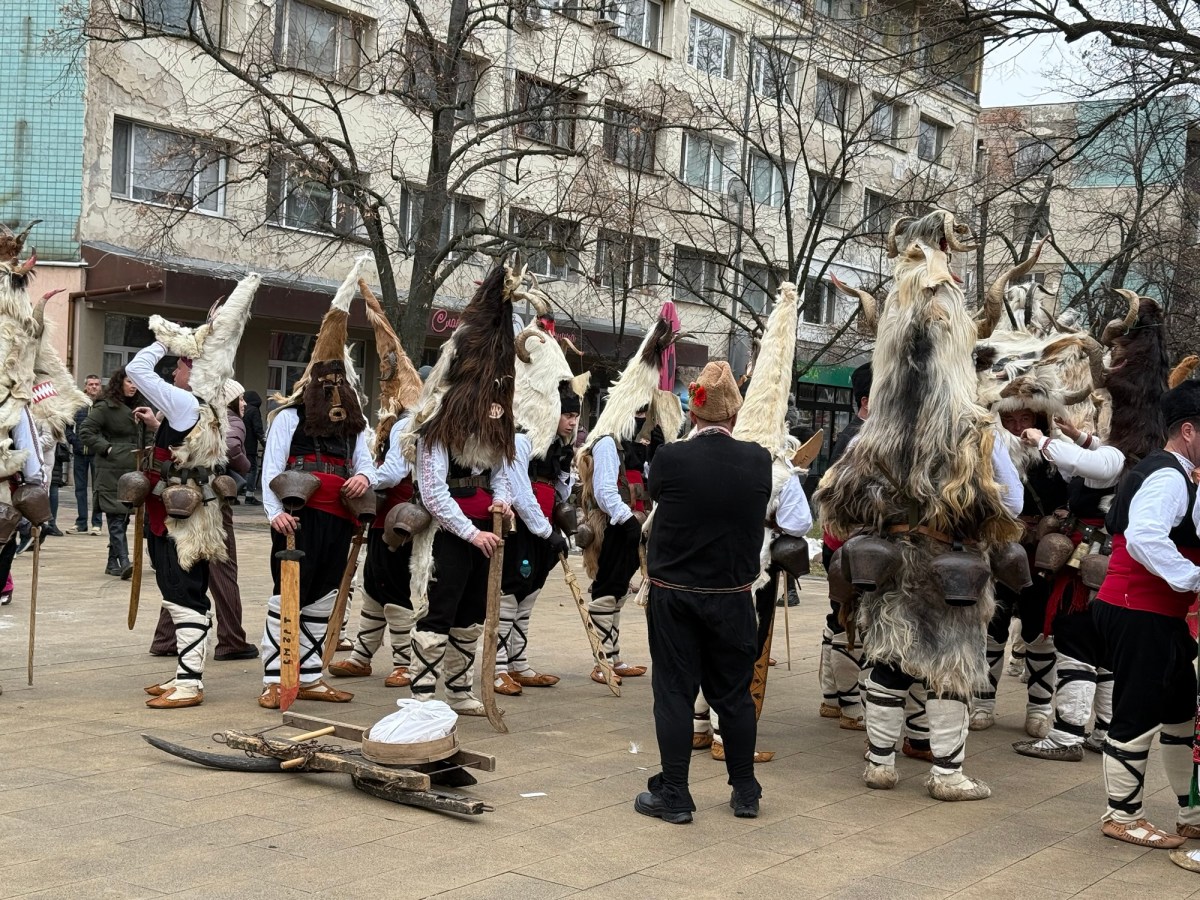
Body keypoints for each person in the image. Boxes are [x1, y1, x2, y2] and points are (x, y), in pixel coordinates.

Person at [635, 361, 772, 824]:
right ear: (734, 415)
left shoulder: (670, 458)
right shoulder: (758, 460)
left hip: (675, 594)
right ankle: (745, 790)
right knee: (733, 695)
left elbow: (657, 494)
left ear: (693, 415)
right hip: (732, 595)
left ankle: (675, 793)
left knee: (675, 692)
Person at [129, 272, 260, 709]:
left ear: (195, 368)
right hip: (193, 513)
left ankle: (189, 683)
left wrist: (167, 341)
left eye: (183, 364)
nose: (177, 368)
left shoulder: (187, 402)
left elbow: (136, 370)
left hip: (180, 517)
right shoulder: (207, 406)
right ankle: (185, 672)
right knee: (182, 590)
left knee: (182, 590)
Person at [258, 262, 376, 709]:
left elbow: (366, 466)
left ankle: (308, 676)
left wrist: (363, 477)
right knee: (289, 593)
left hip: (339, 520)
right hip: (298, 520)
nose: (332, 392)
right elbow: (271, 469)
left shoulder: (355, 427)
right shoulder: (289, 418)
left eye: (338, 385)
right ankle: (276, 677)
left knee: (324, 596)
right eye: (325, 385)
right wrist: (275, 514)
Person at [1092, 379, 1200, 850]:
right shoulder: (1168, 475)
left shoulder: (1181, 475)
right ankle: (1121, 815)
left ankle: (1191, 812)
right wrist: (1194, 578)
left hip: (1157, 614)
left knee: (1180, 714)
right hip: (1138, 610)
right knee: (1137, 713)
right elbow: (1144, 536)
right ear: (1189, 431)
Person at [404, 264, 517, 714]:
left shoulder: (496, 426)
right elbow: (433, 490)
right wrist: (471, 533)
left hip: (486, 529)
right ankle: (421, 695)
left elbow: (502, 471)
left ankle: (457, 689)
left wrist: (503, 501)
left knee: (472, 612)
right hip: (450, 532)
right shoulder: (437, 424)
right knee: (440, 608)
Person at [328, 278, 424, 687]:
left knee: (393, 584)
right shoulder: (396, 422)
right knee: (373, 583)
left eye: (389, 381)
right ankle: (363, 656)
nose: (385, 387)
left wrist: (364, 477)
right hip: (384, 512)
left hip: (401, 515)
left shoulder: (408, 424)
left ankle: (405, 660)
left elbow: (395, 471)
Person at [576, 317, 682, 685]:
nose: (642, 419)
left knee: (617, 590)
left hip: (625, 525)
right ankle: (602, 661)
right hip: (614, 526)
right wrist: (628, 522)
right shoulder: (607, 442)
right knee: (607, 589)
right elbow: (606, 492)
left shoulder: (624, 443)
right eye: (638, 412)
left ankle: (613, 657)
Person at [493, 305, 581, 696]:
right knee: (512, 592)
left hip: (544, 527)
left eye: (575, 416)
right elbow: (519, 487)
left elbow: (559, 487)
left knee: (529, 595)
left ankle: (519, 663)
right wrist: (544, 530)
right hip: (523, 527)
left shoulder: (559, 445)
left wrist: (560, 524)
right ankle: (497, 667)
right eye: (567, 415)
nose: (572, 422)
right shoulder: (524, 437)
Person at [150, 380, 258, 660]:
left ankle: (165, 639)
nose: (244, 403)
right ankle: (232, 640)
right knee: (222, 569)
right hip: (212, 503)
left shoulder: (198, 414)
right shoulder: (229, 419)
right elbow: (231, 447)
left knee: (184, 566)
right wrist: (245, 467)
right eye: (240, 398)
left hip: (184, 499)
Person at [818, 361, 871, 730]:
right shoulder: (859, 439)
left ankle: (832, 698)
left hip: (843, 544)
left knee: (839, 617)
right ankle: (851, 707)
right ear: (866, 401)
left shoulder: (860, 434)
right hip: (849, 544)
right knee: (850, 622)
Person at [79, 368, 156, 578]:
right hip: (111, 469)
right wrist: (107, 448)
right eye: (129, 381)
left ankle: (112, 562)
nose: (133, 386)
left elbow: (147, 434)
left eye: (136, 382)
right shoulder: (105, 406)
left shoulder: (141, 407)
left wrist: (148, 451)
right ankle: (124, 561)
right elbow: (85, 431)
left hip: (134, 468)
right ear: (119, 382)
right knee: (116, 517)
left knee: (123, 517)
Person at [65, 374, 103, 534]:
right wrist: (74, 441)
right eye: (91, 384)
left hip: (97, 454)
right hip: (80, 453)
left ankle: (97, 523)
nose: (94, 387)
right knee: (80, 489)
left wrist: (102, 445)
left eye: (96, 384)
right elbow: (67, 427)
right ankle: (81, 522)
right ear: (85, 386)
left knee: (97, 489)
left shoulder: (103, 405)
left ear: (100, 387)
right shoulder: (78, 404)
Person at [241, 390, 265, 505]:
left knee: (239, 469)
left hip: (239, 444)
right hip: (250, 446)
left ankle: (233, 496)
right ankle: (249, 496)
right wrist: (265, 443)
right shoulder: (254, 410)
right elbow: (258, 429)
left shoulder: (241, 409)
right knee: (252, 469)